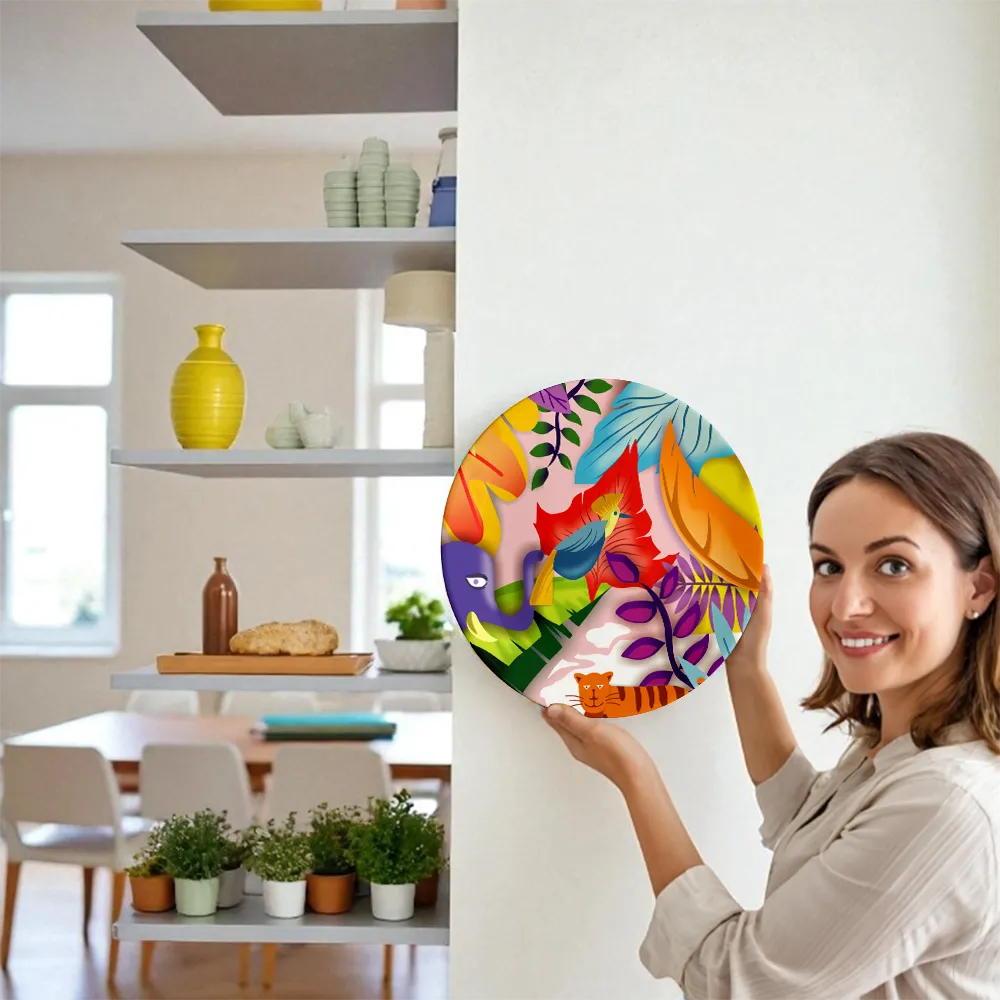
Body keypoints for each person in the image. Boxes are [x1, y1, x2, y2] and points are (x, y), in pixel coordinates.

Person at [544, 431, 1000, 999]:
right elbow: (810, 823)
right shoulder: (905, 746)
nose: (845, 605)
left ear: (978, 587)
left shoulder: (947, 806)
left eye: (893, 565)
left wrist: (636, 777)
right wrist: (747, 667)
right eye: (828, 566)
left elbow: (737, 979)